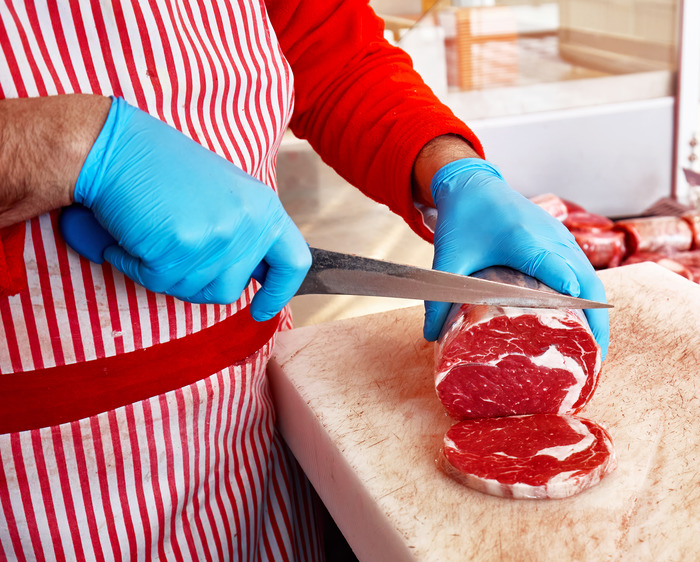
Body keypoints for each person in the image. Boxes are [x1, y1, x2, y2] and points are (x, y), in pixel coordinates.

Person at [0, 0, 609, 559]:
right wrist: (68, 143)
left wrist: (448, 168)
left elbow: (334, 58)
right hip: (36, 491)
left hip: (247, 431)